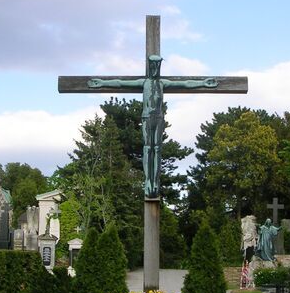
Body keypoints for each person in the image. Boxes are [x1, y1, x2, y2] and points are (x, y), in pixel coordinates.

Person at [88, 55, 217, 198]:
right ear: (149, 66)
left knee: (157, 148)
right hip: (147, 117)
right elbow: (120, 83)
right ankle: (148, 181)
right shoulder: (144, 83)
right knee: (148, 147)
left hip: (159, 118)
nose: (155, 68)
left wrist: (203, 83)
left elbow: (185, 83)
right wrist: (102, 83)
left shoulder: (162, 83)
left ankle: (154, 181)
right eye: (153, 65)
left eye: (158, 65)